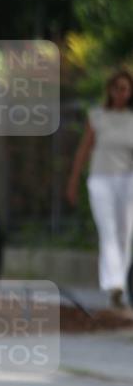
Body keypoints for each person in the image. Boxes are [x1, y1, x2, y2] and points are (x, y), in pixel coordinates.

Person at [66, 69, 133, 309]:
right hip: (101, 179)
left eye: (125, 88)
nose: (121, 93)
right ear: (110, 90)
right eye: (117, 88)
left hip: (127, 180)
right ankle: (114, 283)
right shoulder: (97, 116)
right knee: (108, 230)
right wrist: (73, 180)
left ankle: (120, 282)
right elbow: (84, 149)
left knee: (125, 232)